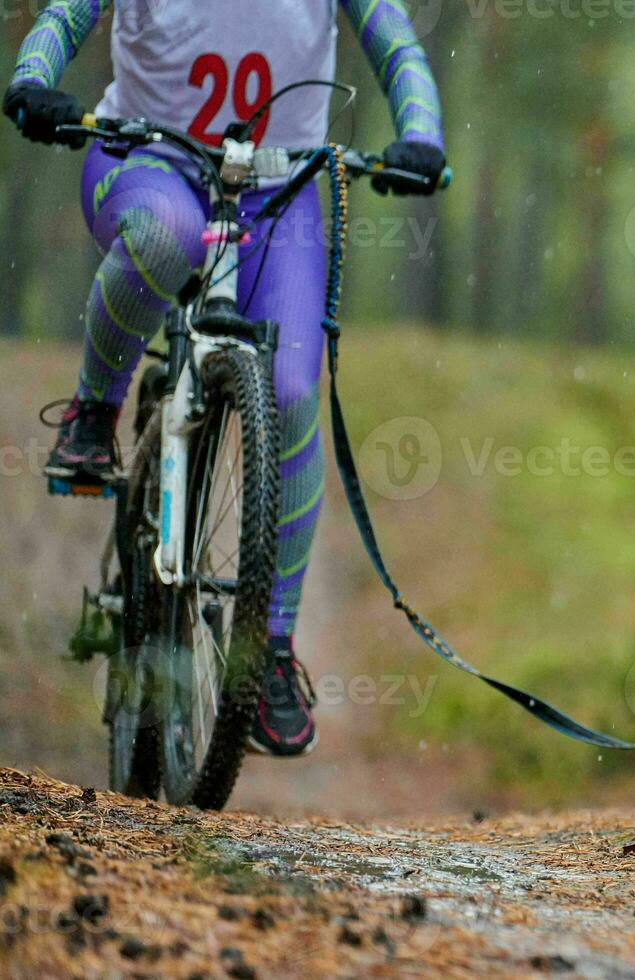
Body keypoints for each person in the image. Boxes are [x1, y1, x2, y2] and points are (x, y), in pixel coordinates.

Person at [3, 0, 448, 758]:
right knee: (166, 240)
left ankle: (268, 648)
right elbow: (66, 14)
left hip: (280, 194)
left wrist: (422, 136)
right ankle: (91, 415)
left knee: (293, 391)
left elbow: (396, 44)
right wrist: (32, 79)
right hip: (145, 162)